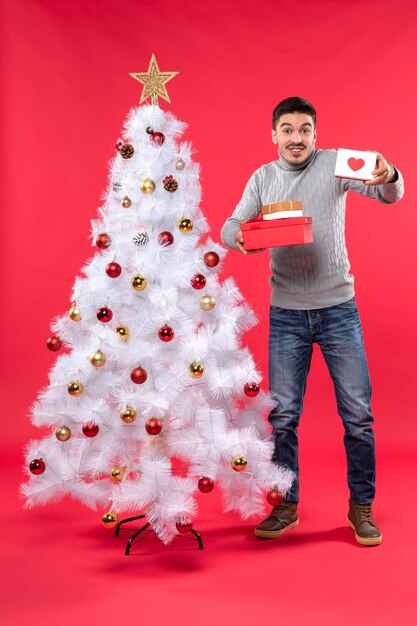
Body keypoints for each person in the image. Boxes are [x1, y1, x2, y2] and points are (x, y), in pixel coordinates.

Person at [220, 97, 404, 546]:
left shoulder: (338, 164)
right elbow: (228, 226)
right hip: (286, 315)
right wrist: (246, 237)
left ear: (315, 135)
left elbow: (389, 193)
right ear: (274, 135)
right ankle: (286, 504)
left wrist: (390, 173)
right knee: (283, 417)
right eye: (288, 129)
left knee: (358, 416)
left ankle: (361, 506)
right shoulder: (263, 178)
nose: (296, 138)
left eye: (305, 129)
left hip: (340, 309)